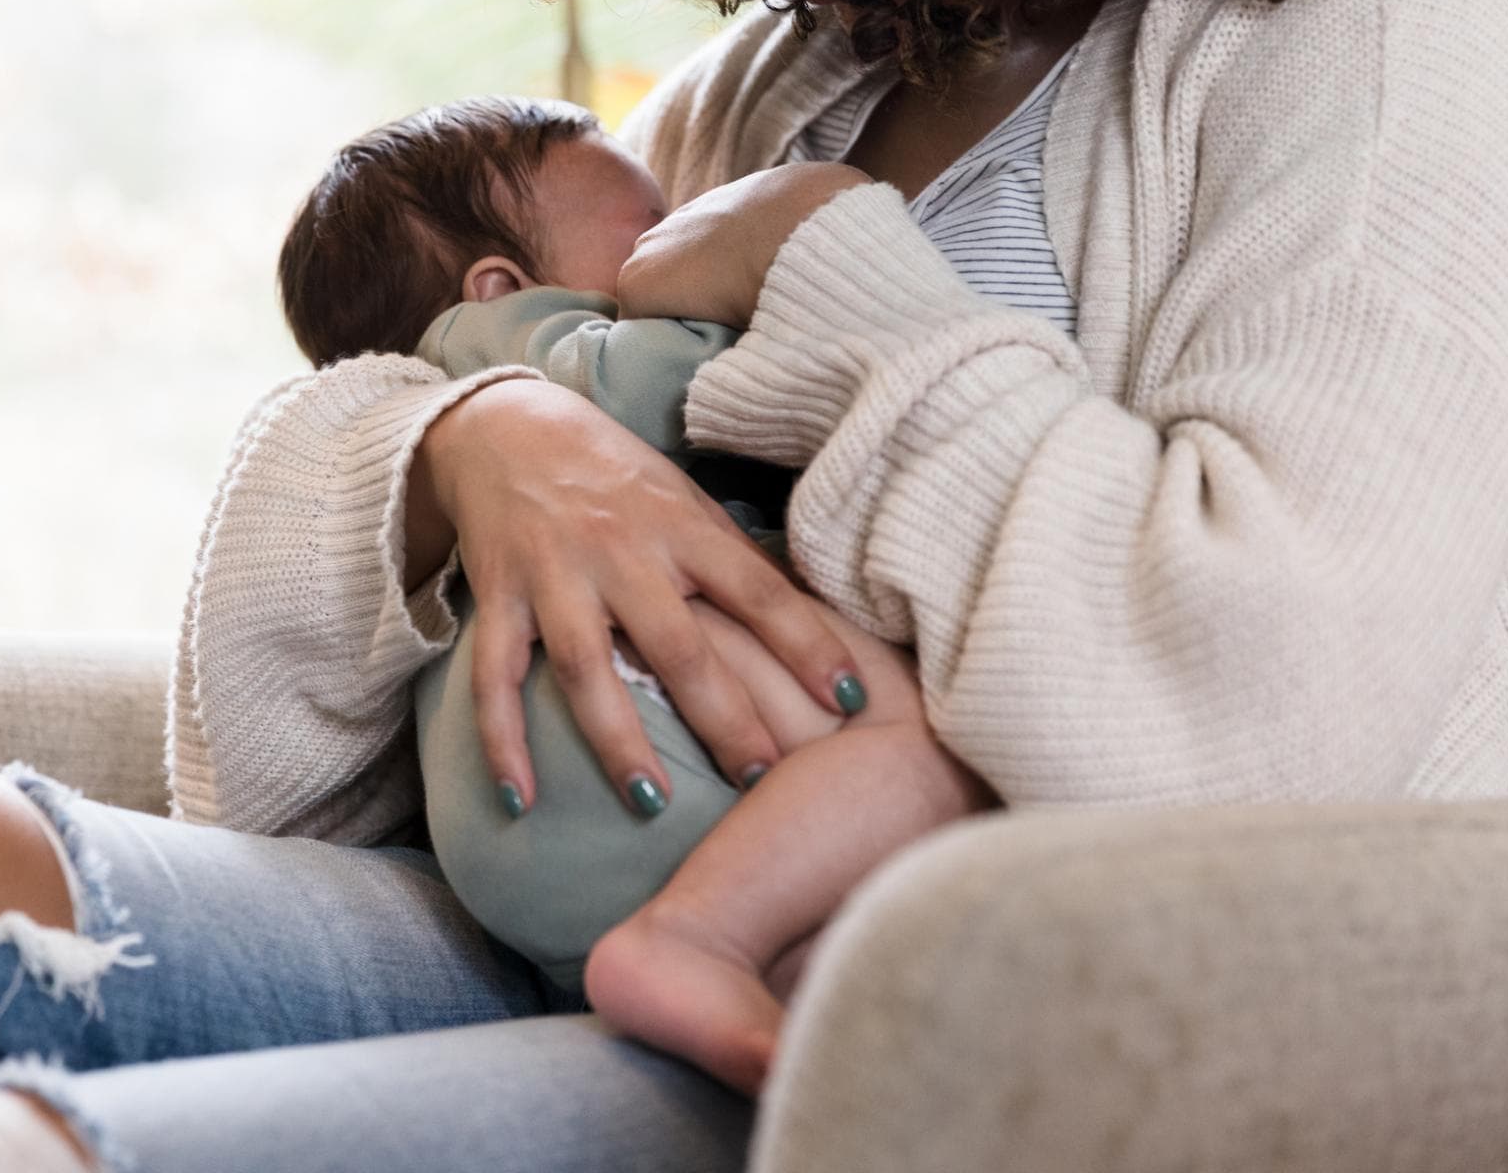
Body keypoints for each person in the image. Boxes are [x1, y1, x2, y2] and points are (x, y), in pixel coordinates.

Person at [0, 0, 1508, 1170]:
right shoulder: (811, 60)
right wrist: (475, 441)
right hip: (565, 921)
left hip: (937, 1025)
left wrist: (839, 284)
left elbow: (1269, 732)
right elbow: (263, 759)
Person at [275, 93, 989, 1091]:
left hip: (520, 829)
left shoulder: (458, 393)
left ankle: (717, 975)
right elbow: (682, 380)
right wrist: (772, 255)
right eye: (653, 231)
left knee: (827, 1006)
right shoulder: (522, 350)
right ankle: (691, 938)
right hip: (615, 751)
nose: (679, 240)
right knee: (926, 746)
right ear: (500, 285)